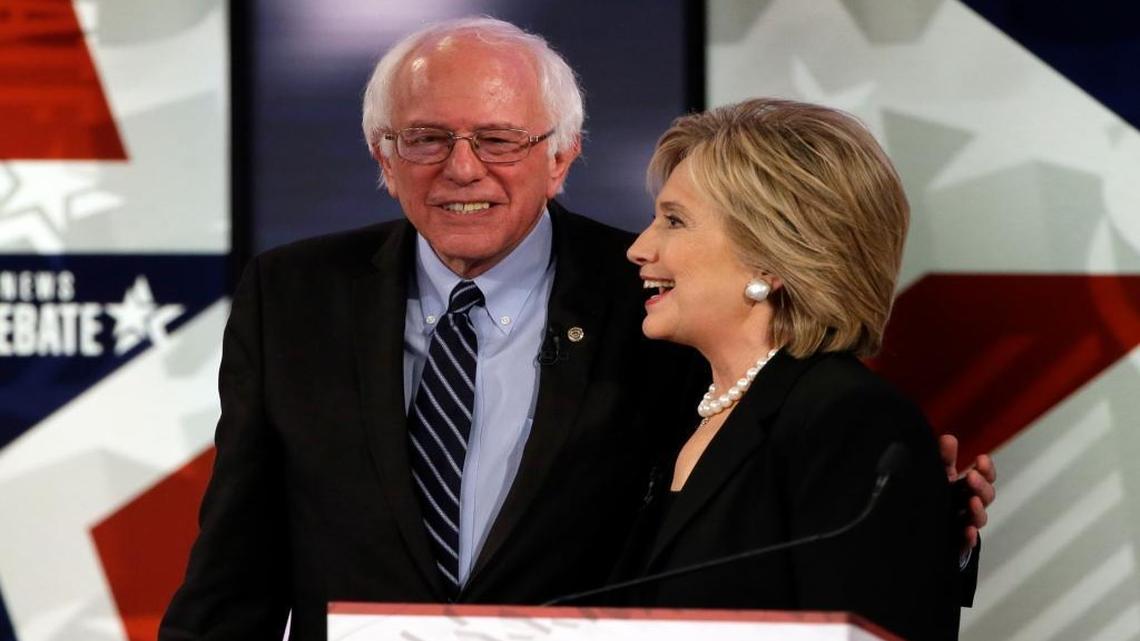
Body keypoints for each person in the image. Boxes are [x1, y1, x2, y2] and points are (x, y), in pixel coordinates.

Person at [160, 18, 993, 641]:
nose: (461, 168)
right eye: (425, 139)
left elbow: (792, 546)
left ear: (563, 156)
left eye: (497, 139)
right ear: (382, 154)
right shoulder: (293, 295)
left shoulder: (649, 315)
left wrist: (921, 531)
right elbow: (236, 565)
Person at [621, 98, 968, 640]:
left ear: (772, 256)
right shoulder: (686, 410)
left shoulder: (848, 421)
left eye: (674, 221)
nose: (639, 248)